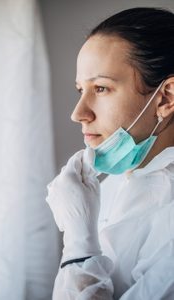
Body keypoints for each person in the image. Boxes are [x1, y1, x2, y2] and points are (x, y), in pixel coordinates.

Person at [46, 7, 174, 299]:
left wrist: (79, 244)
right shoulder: (114, 183)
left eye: (101, 88)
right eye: (81, 90)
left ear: (166, 97)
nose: (78, 114)